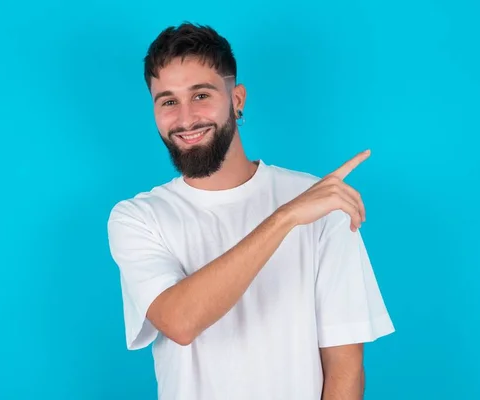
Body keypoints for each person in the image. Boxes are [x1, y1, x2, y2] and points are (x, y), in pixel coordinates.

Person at [107, 22, 395, 400]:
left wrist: (299, 207)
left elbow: (345, 366)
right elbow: (179, 321)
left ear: (237, 99)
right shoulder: (138, 217)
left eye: (201, 95)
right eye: (168, 101)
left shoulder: (320, 202)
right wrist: (285, 217)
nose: (185, 118)